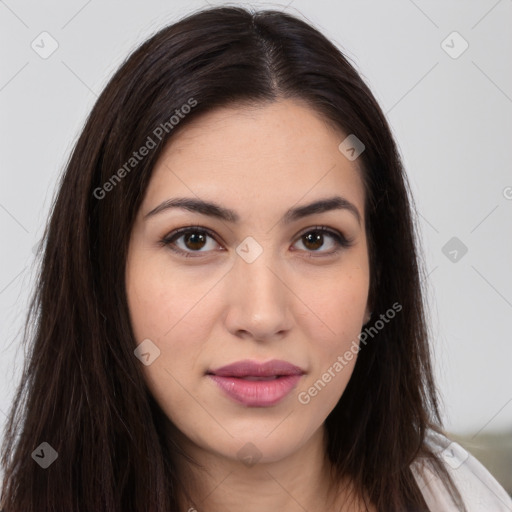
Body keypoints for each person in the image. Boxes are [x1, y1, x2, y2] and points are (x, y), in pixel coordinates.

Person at [1, 5, 511, 512]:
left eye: (315, 240)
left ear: (378, 277)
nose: (262, 316)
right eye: (195, 239)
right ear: (105, 271)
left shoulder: (466, 499)